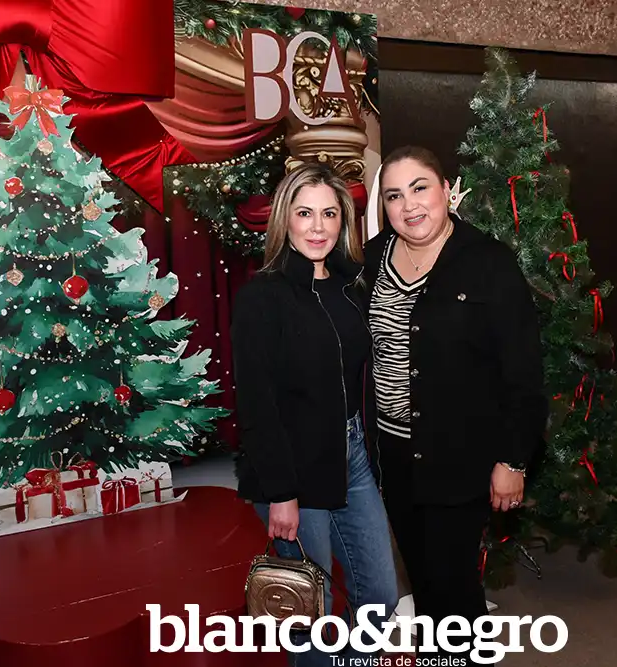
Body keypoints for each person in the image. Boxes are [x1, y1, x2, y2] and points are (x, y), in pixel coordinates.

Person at [360, 145, 548, 663]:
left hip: (459, 454)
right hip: (392, 454)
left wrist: (513, 461)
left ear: (446, 190)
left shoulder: (488, 262)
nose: (409, 205)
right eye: (394, 196)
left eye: (420, 188)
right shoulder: (372, 258)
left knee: (455, 590)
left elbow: (523, 373)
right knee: (423, 583)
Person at [231, 162, 399, 666]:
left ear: (343, 220)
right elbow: (256, 403)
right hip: (293, 466)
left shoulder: (351, 286)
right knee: (311, 610)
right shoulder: (262, 296)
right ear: (285, 218)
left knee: (380, 595)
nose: (318, 227)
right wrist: (281, 493)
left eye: (329, 213)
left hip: (352, 455)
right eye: (305, 213)